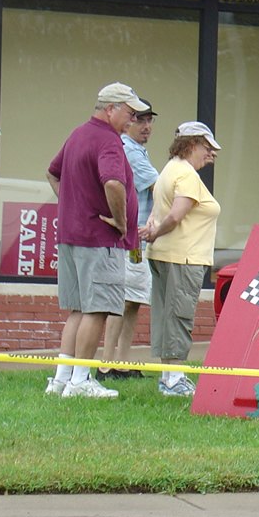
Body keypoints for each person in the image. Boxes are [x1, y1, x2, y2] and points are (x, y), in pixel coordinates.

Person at [45, 82, 150, 398]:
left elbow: (53, 173)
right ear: (111, 109)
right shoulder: (108, 140)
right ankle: (80, 382)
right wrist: (120, 221)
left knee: (77, 309)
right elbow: (115, 183)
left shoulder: (78, 134)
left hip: (72, 235)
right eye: (129, 113)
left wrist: (72, 206)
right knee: (97, 309)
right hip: (98, 239)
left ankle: (62, 380)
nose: (132, 120)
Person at [141, 121, 222, 397]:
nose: (211, 154)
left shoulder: (169, 170)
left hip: (166, 254)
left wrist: (154, 231)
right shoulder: (186, 175)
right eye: (207, 148)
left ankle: (168, 377)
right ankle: (175, 380)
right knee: (179, 316)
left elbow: (157, 212)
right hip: (184, 257)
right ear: (192, 144)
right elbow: (175, 215)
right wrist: (156, 233)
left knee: (167, 315)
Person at [98, 99, 159, 381]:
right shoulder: (129, 150)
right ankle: (107, 363)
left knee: (133, 299)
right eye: (141, 120)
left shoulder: (137, 151)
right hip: (129, 237)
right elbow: (161, 188)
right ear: (129, 120)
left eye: (150, 121)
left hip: (137, 238)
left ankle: (121, 360)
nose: (146, 126)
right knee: (121, 299)